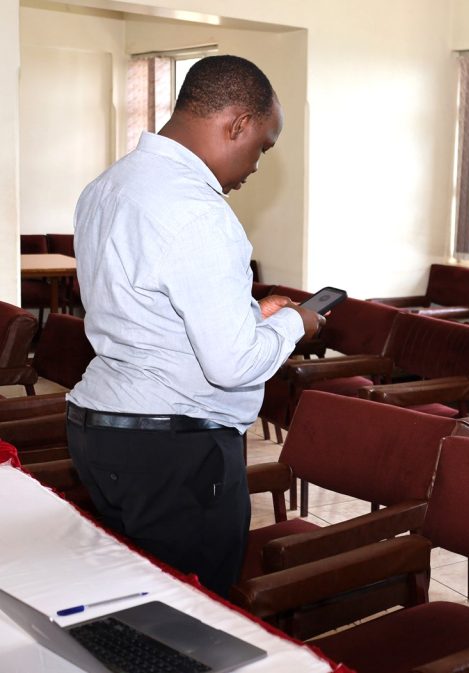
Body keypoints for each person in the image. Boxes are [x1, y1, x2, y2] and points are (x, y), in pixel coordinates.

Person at [67, 55, 323, 598]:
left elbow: (148, 316)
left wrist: (255, 319)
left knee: (128, 605)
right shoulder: (198, 211)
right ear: (237, 125)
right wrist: (296, 324)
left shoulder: (108, 186)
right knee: (192, 620)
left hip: (101, 432)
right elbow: (231, 366)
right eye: (262, 146)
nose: (256, 166)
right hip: (175, 452)